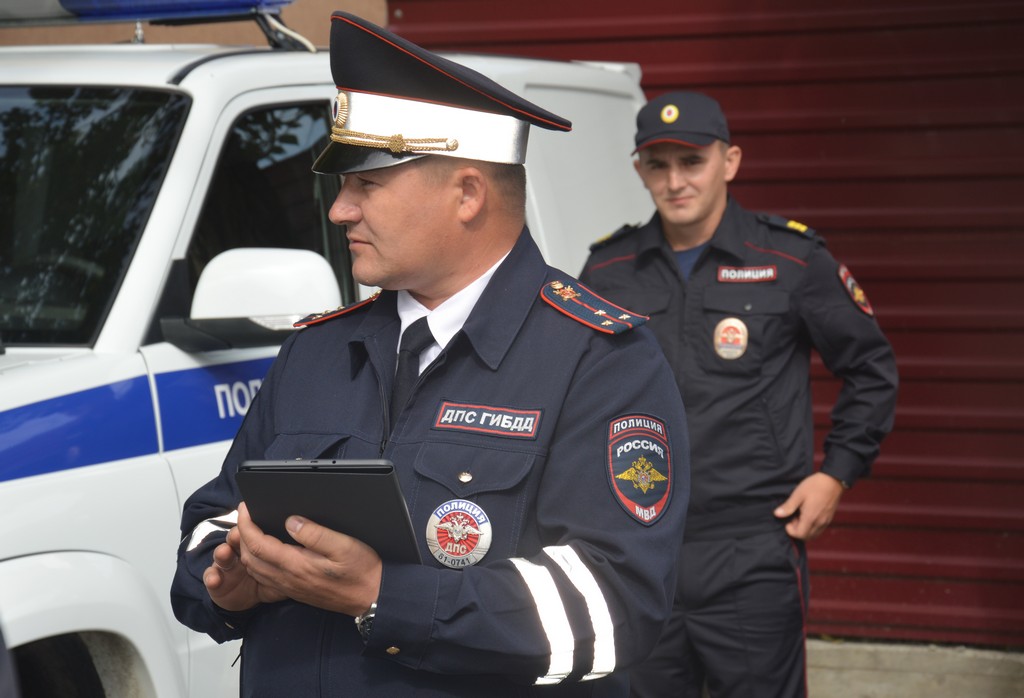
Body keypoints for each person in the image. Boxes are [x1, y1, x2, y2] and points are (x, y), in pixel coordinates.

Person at [171, 12, 690, 697]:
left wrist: (382, 594)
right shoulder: (317, 350)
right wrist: (226, 582)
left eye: (367, 184)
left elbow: (614, 605)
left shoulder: (599, 360)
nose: (340, 211)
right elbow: (212, 522)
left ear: (467, 194)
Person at [579, 91, 898, 697]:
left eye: (692, 162)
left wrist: (837, 474)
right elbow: (575, 394)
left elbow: (871, 369)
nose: (676, 181)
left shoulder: (790, 259)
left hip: (752, 549)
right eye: (658, 165)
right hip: (641, 549)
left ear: (729, 161)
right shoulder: (607, 270)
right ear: (639, 170)